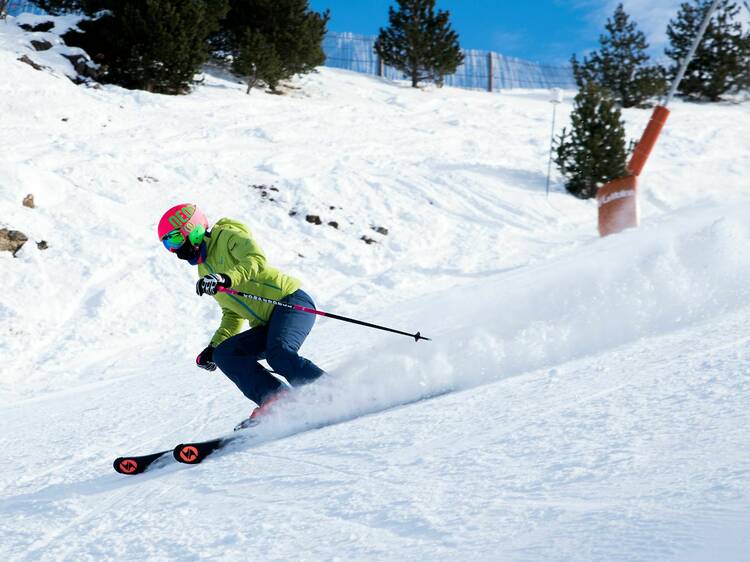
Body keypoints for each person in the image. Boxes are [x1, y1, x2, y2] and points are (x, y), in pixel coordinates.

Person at [157, 203, 324, 427]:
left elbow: (255, 260)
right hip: (267, 323)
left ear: (192, 229)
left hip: (291, 302)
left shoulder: (226, 237)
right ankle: (279, 401)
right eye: (167, 244)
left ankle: (330, 393)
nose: (173, 249)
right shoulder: (204, 269)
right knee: (226, 354)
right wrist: (214, 347)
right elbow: (232, 313)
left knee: (279, 354)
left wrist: (225, 278)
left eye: (175, 239)